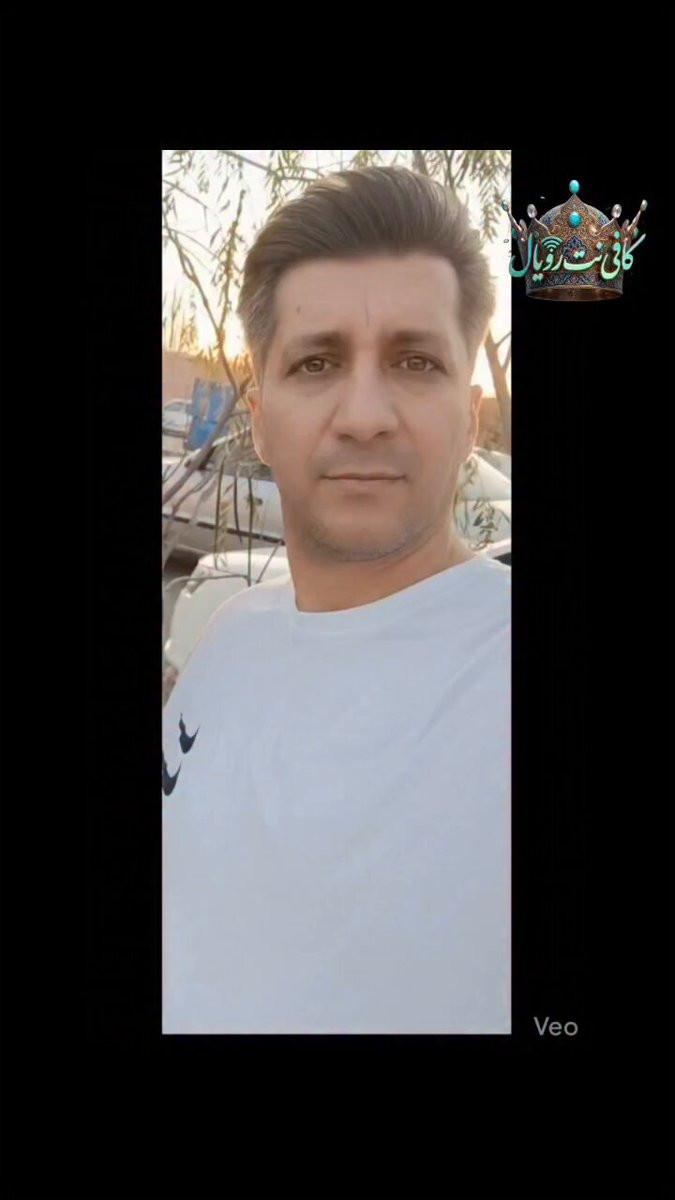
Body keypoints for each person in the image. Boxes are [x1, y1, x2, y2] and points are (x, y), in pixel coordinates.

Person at [162, 165, 511, 1034]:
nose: (363, 415)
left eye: (414, 361)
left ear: (470, 418)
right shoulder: (227, 636)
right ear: (260, 417)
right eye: (316, 363)